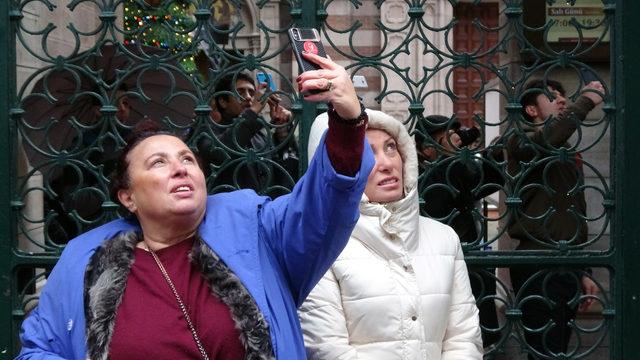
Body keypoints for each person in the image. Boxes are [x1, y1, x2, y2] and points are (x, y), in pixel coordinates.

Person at [16, 52, 374, 359]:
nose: (179, 168)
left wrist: (346, 121)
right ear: (128, 197)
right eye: (158, 162)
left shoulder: (254, 227)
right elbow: (39, 347)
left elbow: (322, 210)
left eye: (187, 159)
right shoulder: (84, 259)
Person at [298, 110, 483, 359]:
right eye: (367, 153)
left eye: (391, 147)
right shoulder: (322, 246)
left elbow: (463, 337)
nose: (386, 164)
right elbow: (327, 348)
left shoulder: (444, 238)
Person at [507, 78, 603, 359]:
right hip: (535, 260)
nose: (562, 100)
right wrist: (583, 102)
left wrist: (584, 269)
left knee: (560, 348)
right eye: (552, 97)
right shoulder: (518, 140)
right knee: (543, 350)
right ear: (531, 110)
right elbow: (544, 140)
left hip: (568, 260)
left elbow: (574, 212)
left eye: (564, 96)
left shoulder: (567, 151)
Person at [416, 115, 504, 348]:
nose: (457, 142)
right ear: (426, 149)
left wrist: (493, 156)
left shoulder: (455, 167)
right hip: (437, 270)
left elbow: (486, 183)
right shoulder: (418, 175)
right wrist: (451, 156)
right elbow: (438, 199)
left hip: (469, 262)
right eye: (447, 137)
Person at [197, 72, 298, 195]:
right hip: (231, 211)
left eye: (251, 92)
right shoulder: (207, 132)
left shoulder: (259, 135)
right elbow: (221, 153)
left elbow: (280, 170)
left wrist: (281, 129)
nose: (249, 97)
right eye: (240, 92)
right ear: (223, 101)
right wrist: (254, 110)